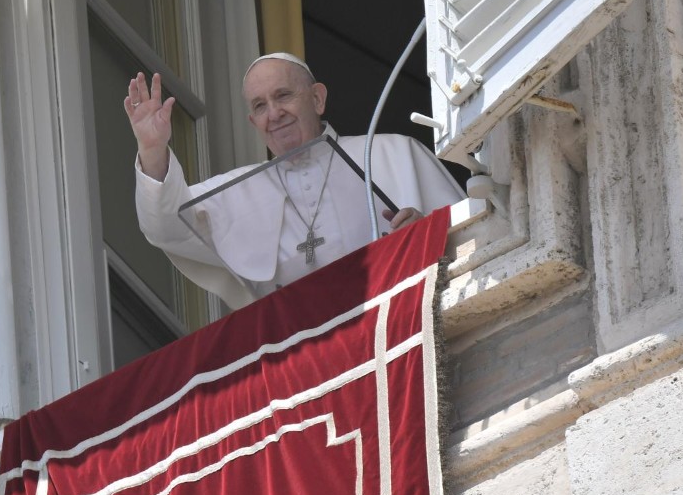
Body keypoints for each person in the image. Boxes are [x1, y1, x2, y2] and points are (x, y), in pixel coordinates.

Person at [126, 53, 464, 309]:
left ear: (317, 98)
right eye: (260, 106)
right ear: (253, 121)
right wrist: (153, 149)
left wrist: (427, 235)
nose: (274, 114)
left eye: (283, 95)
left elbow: (472, 235)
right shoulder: (239, 190)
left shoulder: (394, 152)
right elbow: (167, 226)